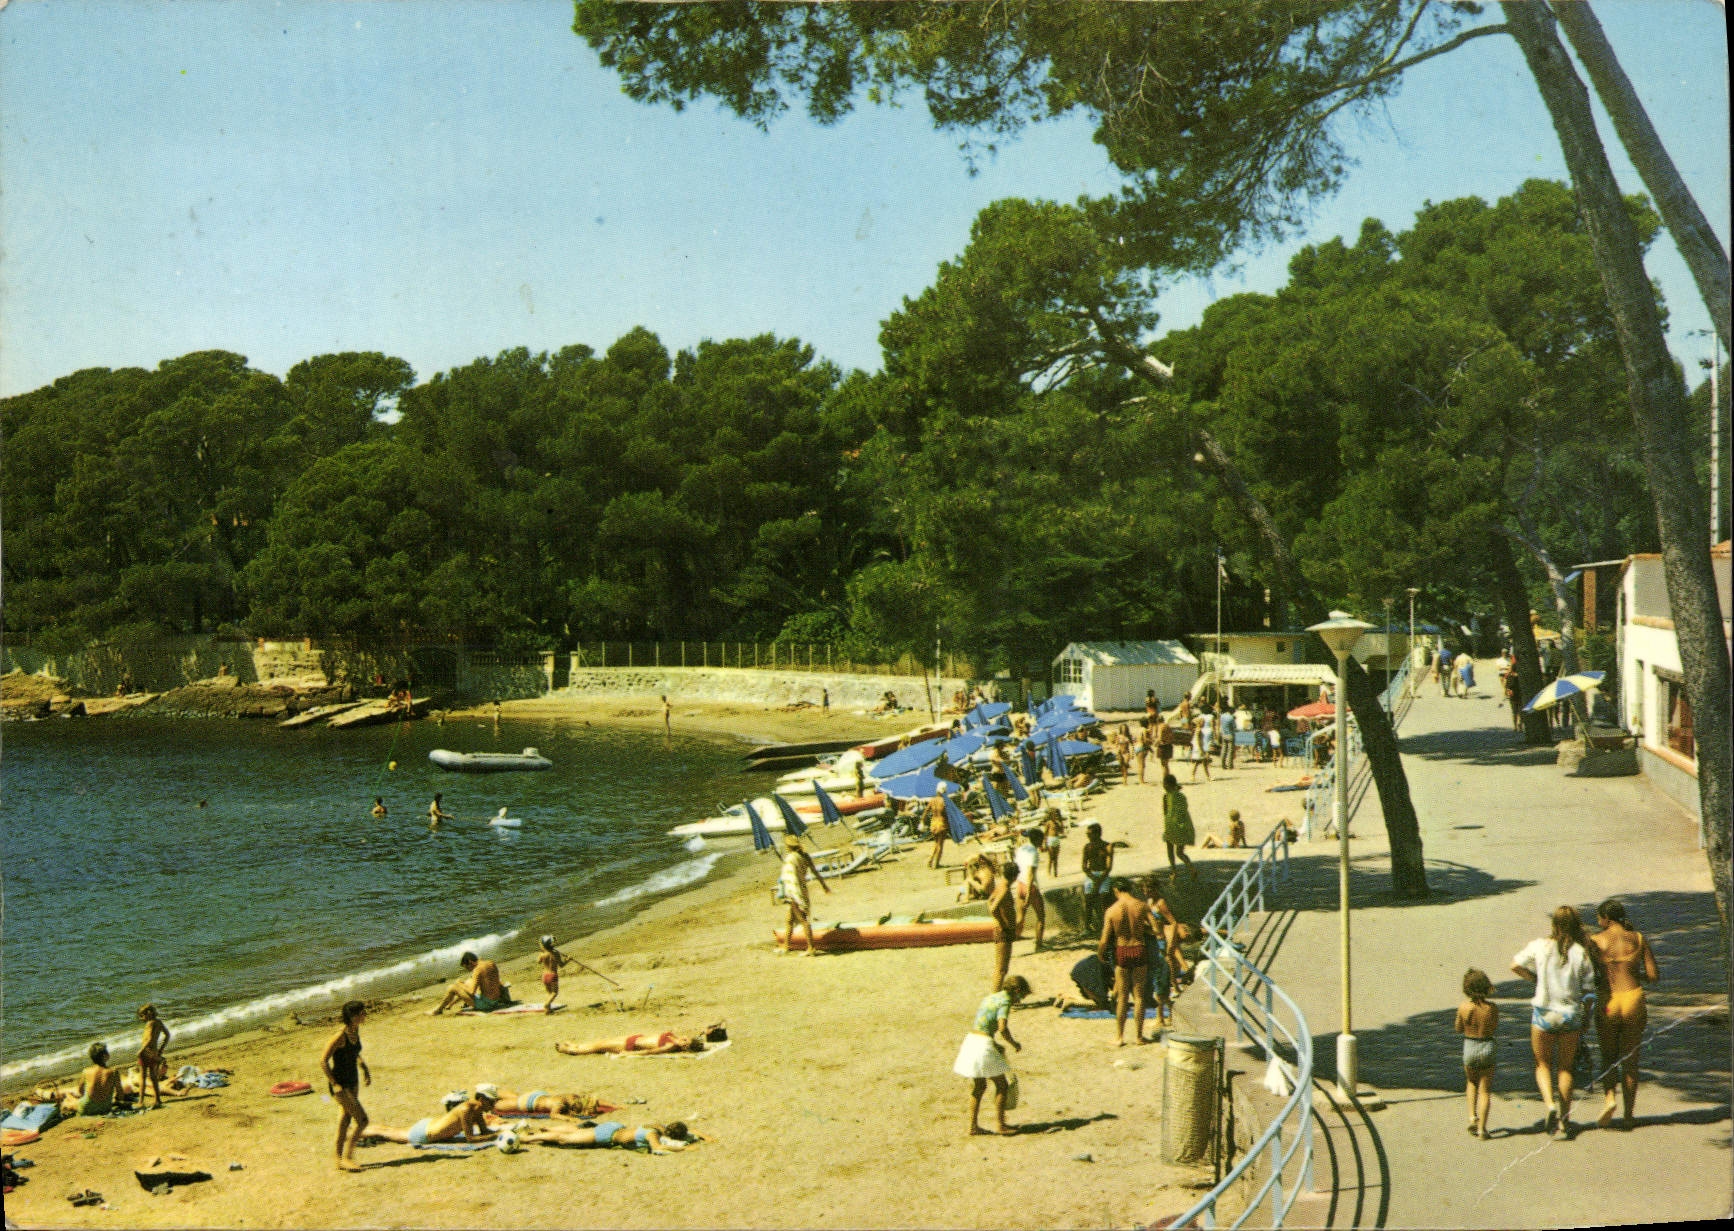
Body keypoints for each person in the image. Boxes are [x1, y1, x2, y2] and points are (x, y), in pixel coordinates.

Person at [1511, 906, 1599, 1138]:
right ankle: (1564, 1120)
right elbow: (1590, 991)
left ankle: (1549, 1104)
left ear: (1554, 924)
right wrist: (1586, 1018)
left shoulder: (1540, 946)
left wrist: (1535, 979)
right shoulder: (1581, 952)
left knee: (1542, 1064)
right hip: (1570, 1015)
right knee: (1565, 1068)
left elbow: (1515, 964)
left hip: (1543, 1013)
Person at [1589, 898, 1659, 1129]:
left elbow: (1589, 974)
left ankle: (1609, 1099)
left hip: (1609, 1001)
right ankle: (1629, 1115)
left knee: (1608, 1057)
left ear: (1606, 919)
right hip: (1633, 998)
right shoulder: (1638, 938)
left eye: (1599, 918)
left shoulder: (1595, 941)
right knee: (1630, 1061)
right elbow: (1653, 975)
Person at [953, 974, 1029, 1136]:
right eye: (1021, 995)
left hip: (971, 1040)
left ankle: (973, 1126)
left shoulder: (991, 997)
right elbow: (1002, 1028)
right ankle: (1001, 1125)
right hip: (983, 1045)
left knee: (979, 1086)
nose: (1020, 1000)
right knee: (1002, 1085)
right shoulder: (1005, 1002)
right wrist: (1014, 1043)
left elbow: (983, 1024)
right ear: (1016, 990)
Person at [1099, 879, 1156, 1046]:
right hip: (1139, 948)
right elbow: (1157, 930)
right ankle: (1139, 1037)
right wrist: (1143, 929)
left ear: (1116, 890)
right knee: (1139, 996)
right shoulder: (1142, 906)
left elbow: (1104, 939)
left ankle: (1119, 1037)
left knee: (1122, 996)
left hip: (1122, 950)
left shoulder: (1111, 910)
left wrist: (1100, 954)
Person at [321, 1000, 371, 1172]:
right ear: (353, 1016)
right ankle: (347, 1158)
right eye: (362, 1013)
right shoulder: (340, 1036)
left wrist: (363, 1067)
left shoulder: (355, 1030)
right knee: (363, 1121)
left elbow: (354, 1052)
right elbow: (323, 1061)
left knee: (345, 1120)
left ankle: (338, 1159)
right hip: (341, 1085)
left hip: (353, 1080)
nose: (365, 1015)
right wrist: (335, 1084)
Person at [362, 1088, 498, 1147]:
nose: (493, 1105)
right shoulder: (467, 1109)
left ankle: (357, 1130)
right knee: (384, 1133)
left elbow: (484, 1132)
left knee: (388, 1130)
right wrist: (495, 1137)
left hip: (430, 1125)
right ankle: (353, 1133)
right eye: (491, 1102)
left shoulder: (477, 1109)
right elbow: (471, 1139)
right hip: (425, 1134)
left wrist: (497, 1134)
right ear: (481, 1099)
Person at [1454, 970, 1498, 1140]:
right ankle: (1482, 1130)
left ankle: (1472, 1116)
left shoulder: (1464, 1007)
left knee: (1471, 1082)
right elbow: (1493, 1027)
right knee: (1485, 1090)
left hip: (1470, 1046)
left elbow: (1458, 1028)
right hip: (1487, 1045)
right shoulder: (1492, 1008)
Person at [777, 834, 832, 956]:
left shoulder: (791, 858)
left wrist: (787, 893)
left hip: (794, 891)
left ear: (788, 846)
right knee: (789, 920)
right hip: (802, 889)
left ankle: (811, 948)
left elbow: (788, 876)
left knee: (803, 920)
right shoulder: (804, 856)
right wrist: (824, 886)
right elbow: (815, 872)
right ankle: (786, 946)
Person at [520, 1119, 703, 1153]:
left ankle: (546, 1129)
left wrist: (704, 1136)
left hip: (614, 1127)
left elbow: (690, 1132)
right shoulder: (652, 1135)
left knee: (577, 1132)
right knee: (565, 1140)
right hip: (608, 1135)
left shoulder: (658, 1127)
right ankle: (526, 1138)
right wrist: (684, 1149)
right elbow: (658, 1148)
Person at [430, 952, 511, 1015]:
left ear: (470, 962)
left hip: (487, 1005)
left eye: (467, 967)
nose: (469, 970)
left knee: (452, 987)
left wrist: (459, 984)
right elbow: (497, 981)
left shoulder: (477, 970)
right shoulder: (490, 963)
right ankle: (450, 1004)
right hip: (496, 1000)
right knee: (468, 982)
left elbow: (472, 992)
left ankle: (438, 1010)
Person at [554, 1029, 714, 1056]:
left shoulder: (670, 1046)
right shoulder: (674, 1039)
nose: (684, 1037)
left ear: (685, 1046)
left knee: (599, 1047)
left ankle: (570, 1050)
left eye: (685, 1040)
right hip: (633, 1038)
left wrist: (629, 1054)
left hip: (629, 1045)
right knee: (600, 1042)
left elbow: (650, 1052)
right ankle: (576, 1045)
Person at [989, 860, 1020, 992]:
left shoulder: (1000, 886)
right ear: (1014, 876)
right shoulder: (1004, 889)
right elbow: (993, 908)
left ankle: (995, 995)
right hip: (1003, 931)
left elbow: (989, 902)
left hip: (1002, 930)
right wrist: (1002, 923)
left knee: (1001, 968)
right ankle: (994, 996)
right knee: (1001, 969)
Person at [1013, 828, 1046, 951]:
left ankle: (1010, 939)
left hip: (1020, 883)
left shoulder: (1021, 849)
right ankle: (1039, 944)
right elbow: (1030, 874)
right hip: (1029, 886)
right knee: (1041, 917)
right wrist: (1028, 896)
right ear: (1038, 839)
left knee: (1020, 917)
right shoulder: (1034, 853)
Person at [1080, 822, 1114, 937]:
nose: (1088, 836)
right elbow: (1084, 866)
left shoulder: (1107, 846)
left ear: (1097, 834)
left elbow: (1109, 867)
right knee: (1088, 901)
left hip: (1103, 875)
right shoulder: (1087, 847)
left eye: (1089, 834)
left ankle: (1106, 926)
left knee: (1104, 900)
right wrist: (1094, 878)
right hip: (1092, 875)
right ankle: (1087, 927)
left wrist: (1100, 879)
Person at [489, 1089, 612, 1120]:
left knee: (515, 1097)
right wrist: (570, 1119)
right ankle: (489, 1093)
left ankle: (494, 1091)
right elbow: (554, 1115)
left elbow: (594, 1100)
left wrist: (614, 1106)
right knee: (496, 1106)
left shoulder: (571, 1097)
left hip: (539, 1096)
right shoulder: (560, 1104)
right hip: (529, 1103)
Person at [1162, 775, 1196, 879]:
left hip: (1171, 826)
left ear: (1167, 785)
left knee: (1170, 849)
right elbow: (1184, 810)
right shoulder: (1181, 796)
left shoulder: (1166, 797)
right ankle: (1191, 868)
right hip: (1183, 825)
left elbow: (1165, 812)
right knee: (1180, 852)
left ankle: (1173, 871)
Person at [136, 1004, 170, 1109]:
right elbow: (167, 1035)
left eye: (142, 1016)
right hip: (154, 1052)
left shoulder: (149, 1024)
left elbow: (149, 1039)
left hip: (146, 1052)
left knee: (142, 1077)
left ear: (147, 1014)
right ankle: (157, 1099)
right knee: (154, 1077)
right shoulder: (159, 1022)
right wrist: (161, 1049)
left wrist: (140, 1050)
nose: (141, 1018)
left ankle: (140, 1101)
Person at [75, 1043, 122, 1117]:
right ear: (105, 1056)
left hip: (86, 1109)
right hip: (104, 1108)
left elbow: (80, 1091)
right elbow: (120, 1094)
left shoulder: (86, 1071)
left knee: (70, 1100)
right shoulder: (113, 1072)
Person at [537, 935, 574, 1010]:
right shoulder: (556, 954)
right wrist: (568, 960)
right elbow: (561, 965)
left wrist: (542, 952)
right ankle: (547, 1004)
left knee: (549, 993)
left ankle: (548, 1010)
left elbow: (538, 962)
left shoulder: (542, 954)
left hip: (545, 976)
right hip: (552, 976)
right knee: (554, 993)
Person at [925, 790, 950, 869]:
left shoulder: (932, 800)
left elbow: (926, 811)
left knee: (936, 844)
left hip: (933, 823)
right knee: (940, 845)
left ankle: (930, 860)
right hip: (941, 823)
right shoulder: (944, 801)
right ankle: (936, 863)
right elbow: (946, 813)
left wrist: (922, 821)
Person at [1042, 809, 1063, 879]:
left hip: (1056, 839)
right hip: (1050, 840)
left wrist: (1061, 823)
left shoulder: (1057, 823)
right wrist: (1044, 843)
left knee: (1056, 858)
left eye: (1057, 815)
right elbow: (1045, 833)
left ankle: (1055, 873)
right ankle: (1048, 873)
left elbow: (1061, 831)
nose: (1056, 816)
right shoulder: (1048, 823)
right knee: (1051, 858)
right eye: (1055, 815)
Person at [1503, 664, 1523, 731]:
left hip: (1513, 696)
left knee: (1514, 712)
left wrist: (1506, 691)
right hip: (1520, 695)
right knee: (1520, 712)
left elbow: (1507, 685)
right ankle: (1520, 725)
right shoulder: (1520, 676)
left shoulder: (1509, 676)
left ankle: (1515, 726)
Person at [1218, 705, 1237, 770]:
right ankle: (1229, 765)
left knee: (1223, 750)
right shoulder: (1231, 718)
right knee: (1230, 751)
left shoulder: (1222, 716)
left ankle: (1223, 764)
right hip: (1230, 735)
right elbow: (1234, 727)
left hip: (1223, 734)